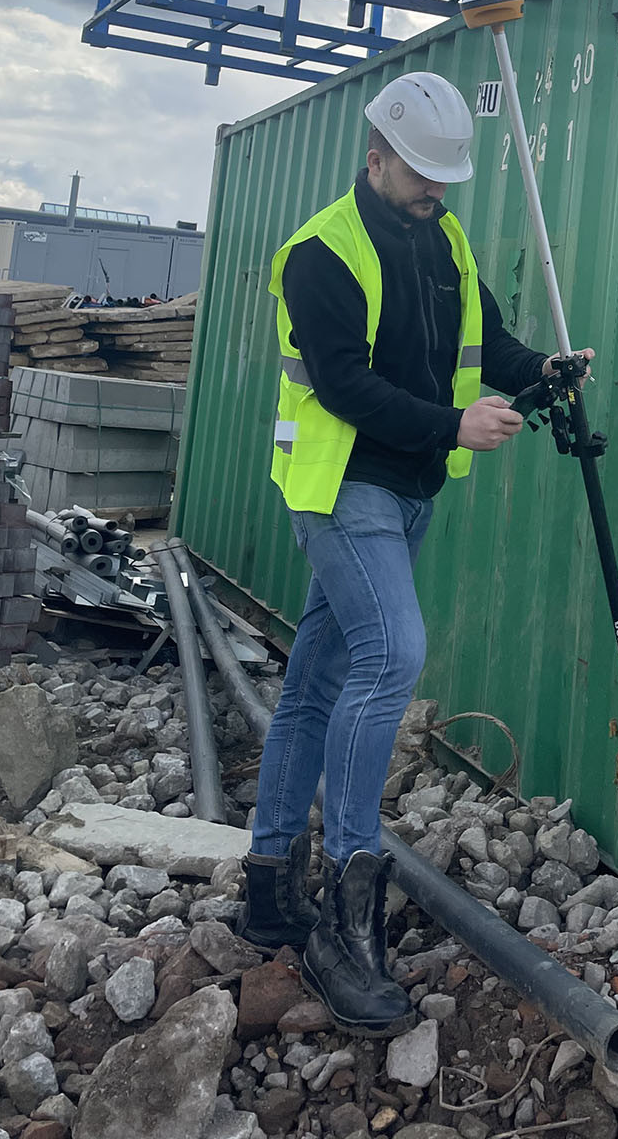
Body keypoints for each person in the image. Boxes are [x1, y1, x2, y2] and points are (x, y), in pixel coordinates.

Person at [241, 70, 592, 1029]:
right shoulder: (321, 252)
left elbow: (486, 342)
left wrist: (544, 369)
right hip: (341, 486)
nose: (435, 188)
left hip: (406, 491)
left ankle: (268, 887)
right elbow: (343, 385)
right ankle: (346, 913)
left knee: (316, 680)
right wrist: (452, 425)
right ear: (377, 157)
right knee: (392, 653)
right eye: (420, 172)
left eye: (446, 175)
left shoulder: (445, 240)